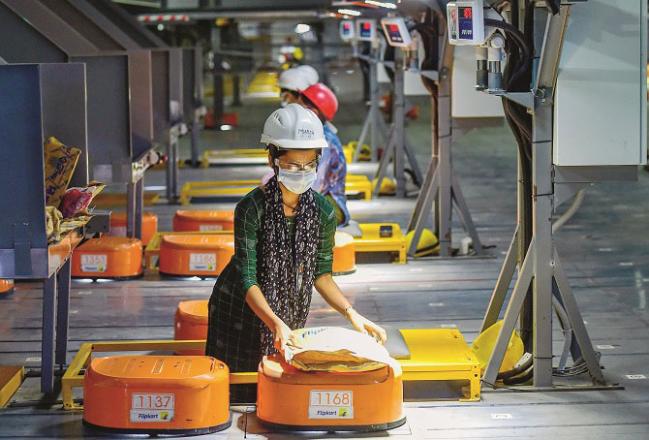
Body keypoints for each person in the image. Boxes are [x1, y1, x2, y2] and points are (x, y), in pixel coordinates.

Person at [206, 104, 386, 403]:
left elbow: (321, 275)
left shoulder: (323, 212)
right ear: (272, 159)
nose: (302, 173)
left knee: (278, 388)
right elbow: (247, 278)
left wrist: (352, 314)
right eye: (292, 166)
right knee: (239, 394)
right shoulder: (252, 208)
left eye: (309, 165)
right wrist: (275, 322)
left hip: (288, 309)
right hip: (238, 309)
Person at [299, 83, 350, 227]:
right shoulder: (313, 134)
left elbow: (316, 185)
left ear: (313, 111)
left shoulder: (324, 141)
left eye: (301, 107)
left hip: (330, 206)